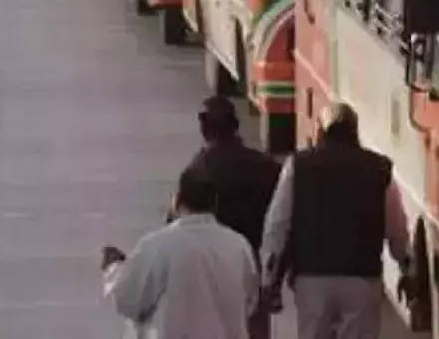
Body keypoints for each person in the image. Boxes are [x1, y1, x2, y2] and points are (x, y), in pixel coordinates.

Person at [260, 103, 412, 339]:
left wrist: (270, 277)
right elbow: (396, 228)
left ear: (321, 131)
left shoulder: (299, 165)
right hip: (362, 278)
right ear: (355, 131)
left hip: (312, 279)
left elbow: (278, 224)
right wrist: (406, 265)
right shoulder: (379, 169)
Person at [102, 166, 259, 339]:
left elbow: (128, 300)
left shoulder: (157, 245)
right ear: (215, 204)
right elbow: (250, 301)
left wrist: (114, 269)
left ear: (177, 201)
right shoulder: (239, 245)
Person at [188, 97, 282, 339]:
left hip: (210, 270)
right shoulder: (266, 166)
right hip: (254, 266)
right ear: (236, 126)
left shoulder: (197, 170)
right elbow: (281, 221)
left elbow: (178, 223)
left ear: (204, 129)